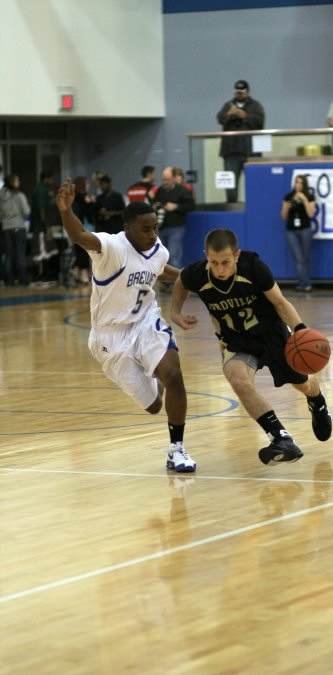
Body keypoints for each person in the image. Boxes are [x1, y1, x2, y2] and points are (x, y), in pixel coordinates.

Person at [56, 177, 196, 473]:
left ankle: (177, 449)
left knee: (174, 374)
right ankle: (152, 378)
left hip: (146, 321)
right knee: (154, 405)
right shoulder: (111, 247)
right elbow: (80, 235)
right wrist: (66, 211)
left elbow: (160, 270)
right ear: (128, 228)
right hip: (110, 337)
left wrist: (190, 277)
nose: (152, 234)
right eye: (145, 229)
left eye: (155, 227)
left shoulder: (157, 249)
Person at [171, 228, 332, 466]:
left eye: (225, 262)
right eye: (214, 262)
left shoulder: (254, 267)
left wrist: (300, 329)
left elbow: (279, 302)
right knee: (238, 381)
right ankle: (281, 438)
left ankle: (316, 399)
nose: (219, 269)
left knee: (302, 383)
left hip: (271, 335)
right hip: (236, 340)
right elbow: (180, 282)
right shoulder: (198, 274)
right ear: (206, 255)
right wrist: (175, 312)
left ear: (236, 255)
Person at [217, 80, 265, 203]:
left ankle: (255, 206)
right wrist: (230, 114)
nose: (239, 95)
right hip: (231, 152)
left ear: (247, 92)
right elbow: (220, 118)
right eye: (237, 92)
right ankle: (232, 207)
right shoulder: (228, 105)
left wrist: (244, 116)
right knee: (231, 187)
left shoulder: (255, 106)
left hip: (251, 152)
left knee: (254, 184)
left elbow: (260, 122)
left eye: (241, 93)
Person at [152, 166, 195, 276]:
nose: (165, 182)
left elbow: (190, 206)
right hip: (162, 226)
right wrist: (156, 206)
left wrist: (175, 207)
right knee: (162, 256)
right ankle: (166, 282)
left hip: (176, 226)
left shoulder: (183, 191)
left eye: (168, 179)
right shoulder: (160, 190)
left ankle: (178, 282)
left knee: (174, 256)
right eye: (164, 179)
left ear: (175, 178)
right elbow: (155, 202)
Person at [281, 174, 316, 293]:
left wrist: (304, 200)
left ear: (304, 185)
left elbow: (311, 214)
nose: (298, 185)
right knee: (299, 258)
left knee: (305, 258)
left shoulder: (309, 196)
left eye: (301, 183)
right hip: (292, 230)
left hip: (305, 229)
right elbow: (283, 216)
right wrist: (288, 206)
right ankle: (304, 284)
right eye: (297, 182)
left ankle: (305, 283)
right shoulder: (288, 196)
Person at [30, 169, 59, 287]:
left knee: (43, 251)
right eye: (51, 179)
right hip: (41, 227)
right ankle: (40, 278)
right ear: (45, 178)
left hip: (39, 226)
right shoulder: (41, 191)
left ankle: (40, 277)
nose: (52, 181)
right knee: (43, 253)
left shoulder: (39, 189)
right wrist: (47, 227)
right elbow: (42, 210)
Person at [0, 173, 31, 286]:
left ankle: (9, 280)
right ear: (12, 182)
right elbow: (27, 211)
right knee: (20, 254)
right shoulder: (19, 195)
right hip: (18, 225)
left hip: (6, 227)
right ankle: (23, 280)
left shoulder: (1, 195)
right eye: (17, 180)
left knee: (8, 255)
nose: (19, 182)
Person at [69, 176, 96, 285]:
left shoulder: (74, 198)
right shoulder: (82, 198)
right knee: (84, 251)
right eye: (86, 183)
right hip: (83, 227)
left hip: (75, 228)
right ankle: (82, 273)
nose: (88, 186)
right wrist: (90, 202)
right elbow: (87, 212)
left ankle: (76, 271)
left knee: (81, 251)